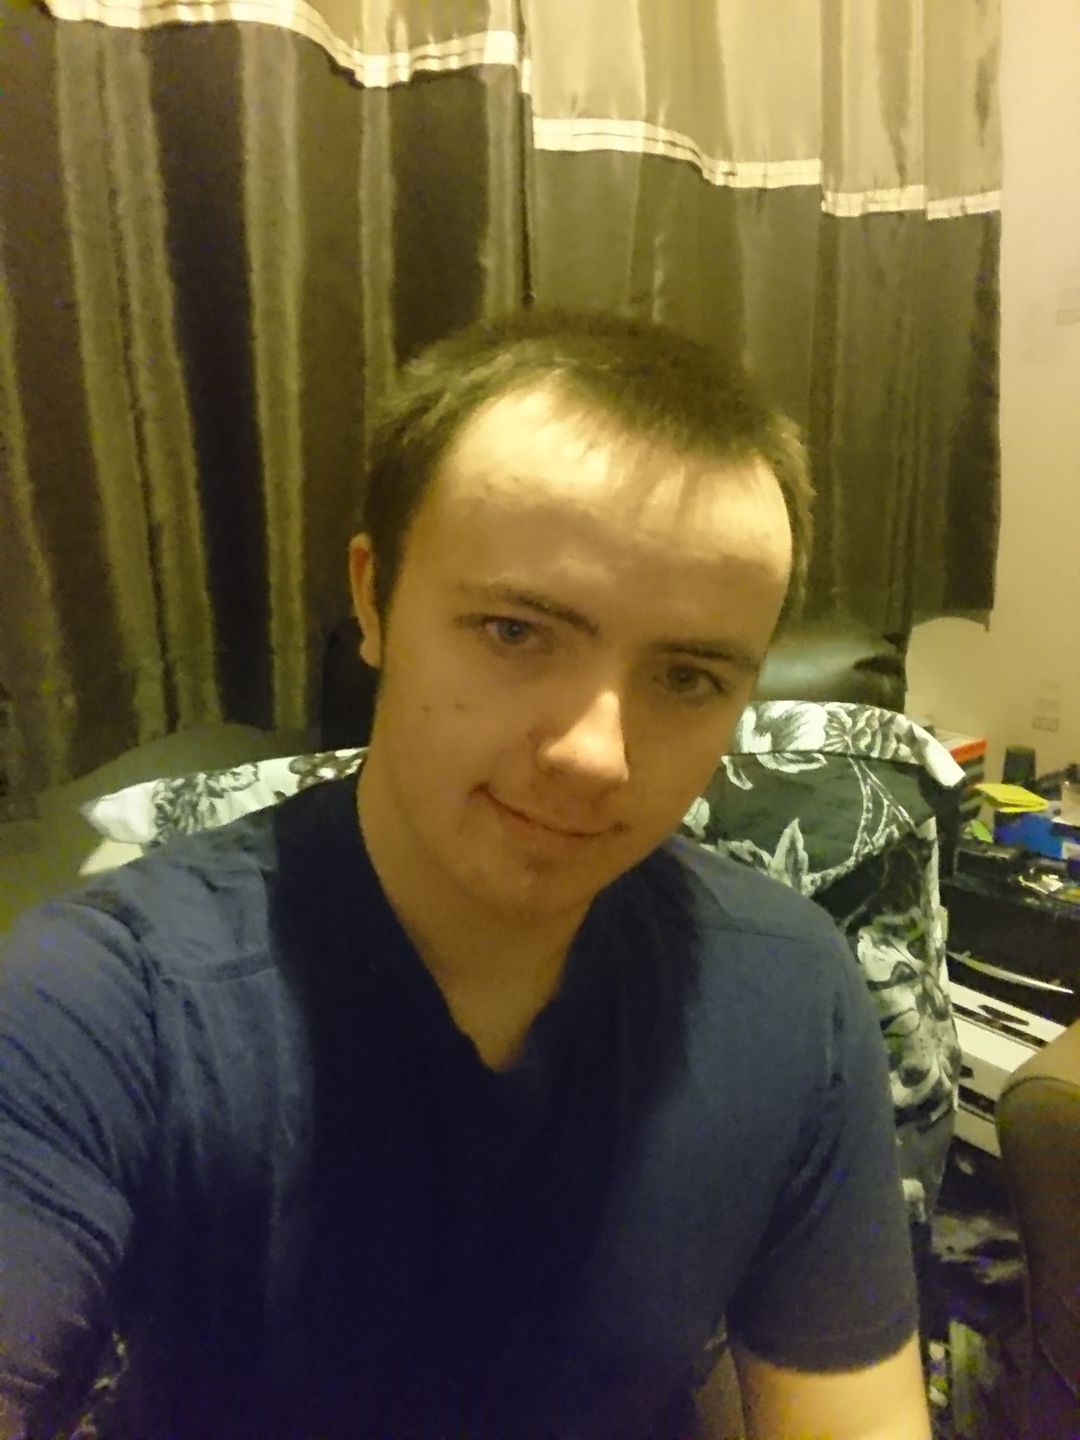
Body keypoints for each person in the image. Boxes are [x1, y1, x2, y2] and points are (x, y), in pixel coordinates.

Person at [0, 310, 932, 1439]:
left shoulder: (788, 992)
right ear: (374, 598)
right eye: (515, 632)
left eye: (687, 678)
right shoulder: (109, 1002)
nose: (596, 755)